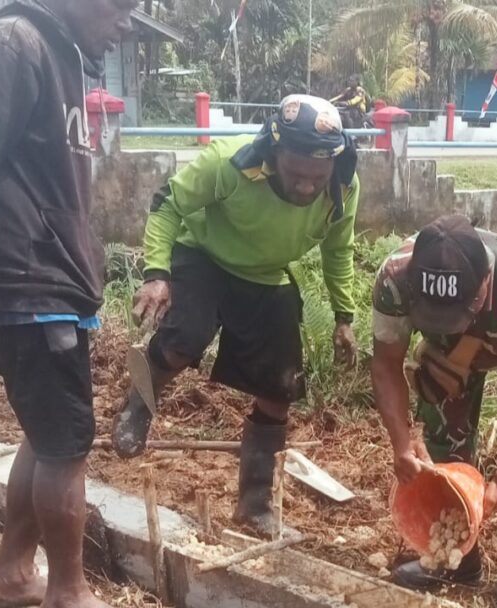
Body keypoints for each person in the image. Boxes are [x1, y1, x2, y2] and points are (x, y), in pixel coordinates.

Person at [0, 0, 138, 606]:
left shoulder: (58, 55)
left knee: (46, 438)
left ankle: (14, 571)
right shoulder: (13, 47)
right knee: (66, 444)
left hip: (51, 281)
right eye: (122, 8)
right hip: (30, 284)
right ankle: (69, 591)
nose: (126, 24)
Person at [110, 94, 360, 538]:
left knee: (280, 387)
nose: (306, 187)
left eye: (315, 178)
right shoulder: (228, 163)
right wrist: (156, 274)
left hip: (265, 274)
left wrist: (345, 315)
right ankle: (140, 402)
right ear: (275, 153)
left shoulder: (342, 185)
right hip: (204, 256)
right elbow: (168, 203)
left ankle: (254, 504)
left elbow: (338, 251)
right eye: (296, 174)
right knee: (183, 339)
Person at [370, 215, 497, 608]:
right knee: (441, 440)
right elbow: (385, 364)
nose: (446, 324)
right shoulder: (395, 279)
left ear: (483, 284)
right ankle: (460, 561)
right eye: (434, 315)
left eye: (455, 314)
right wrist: (401, 443)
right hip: (464, 344)